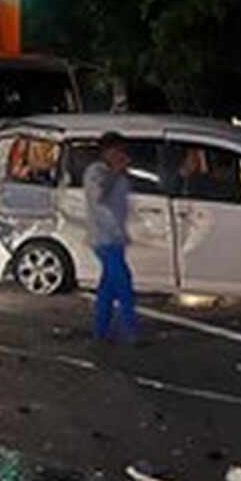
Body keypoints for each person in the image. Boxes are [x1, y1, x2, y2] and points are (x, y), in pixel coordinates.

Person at [85, 132, 138, 342]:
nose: (120, 155)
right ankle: (128, 330)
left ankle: (101, 330)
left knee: (108, 287)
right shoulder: (96, 172)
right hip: (103, 237)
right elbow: (100, 196)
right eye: (116, 150)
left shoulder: (115, 173)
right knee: (123, 283)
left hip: (116, 236)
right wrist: (116, 172)